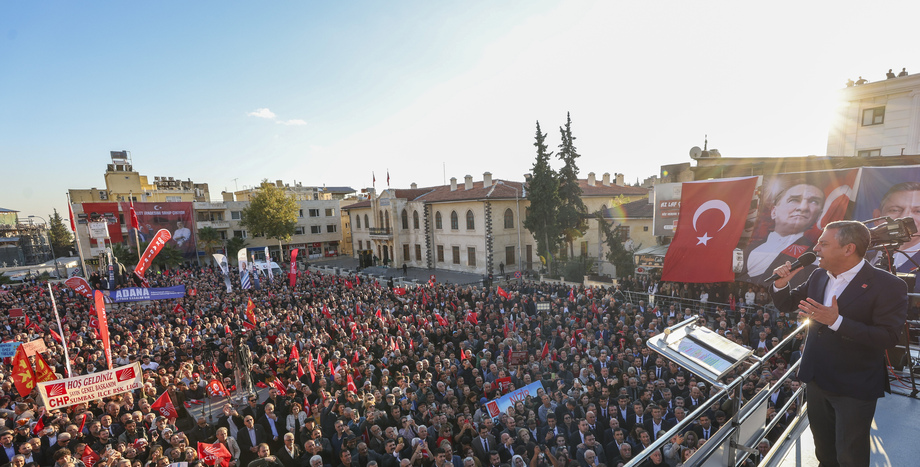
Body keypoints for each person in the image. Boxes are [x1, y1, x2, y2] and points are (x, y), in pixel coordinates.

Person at [770, 220, 908, 466]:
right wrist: (781, 284)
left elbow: (887, 337)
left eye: (823, 243)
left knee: (850, 456)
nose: (816, 249)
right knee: (824, 452)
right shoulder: (818, 275)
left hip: (854, 386)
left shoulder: (889, 286)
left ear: (848, 249)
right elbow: (788, 303)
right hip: (817, 379)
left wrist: (837, 321)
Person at [741, 180, 826, 284]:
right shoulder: (746, 247)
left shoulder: (814, 258)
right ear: (774, 212)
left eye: (814, 202)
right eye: (794, 200)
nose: (803, 207)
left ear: (818, 216)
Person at [870, 181, 920, 273]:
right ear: (877, 217)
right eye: (895, 210)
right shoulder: (856, 259)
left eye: (918, 211)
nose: (904, 217)